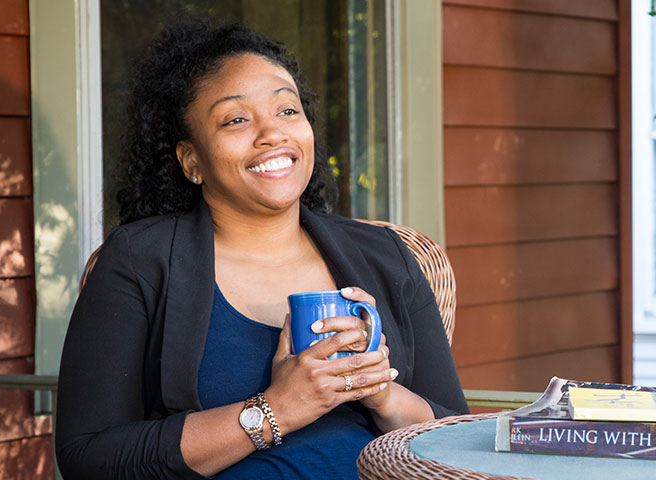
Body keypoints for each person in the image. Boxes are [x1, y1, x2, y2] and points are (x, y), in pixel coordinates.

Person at [55, 18, 468, 480]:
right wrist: (276, 411)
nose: (273, 134)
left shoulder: (385, 256)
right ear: (192, 161)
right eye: (236, 119)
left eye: (287, 111)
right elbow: (88, 456)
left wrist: (384, 395)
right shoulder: (139, 261)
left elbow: (455, 436)